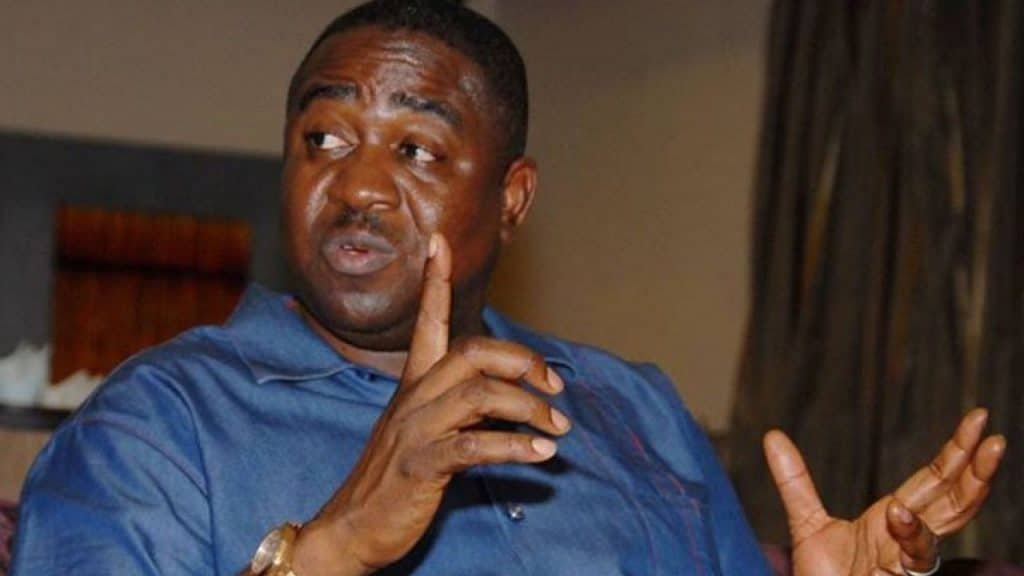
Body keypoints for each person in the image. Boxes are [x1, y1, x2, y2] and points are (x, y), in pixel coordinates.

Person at [10, 1, 1006, 575]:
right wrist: (333, 547)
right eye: (324, 139)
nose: (356, 187)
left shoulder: (633, 411)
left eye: (416, 148)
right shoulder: (155, 428)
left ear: (512, 197)